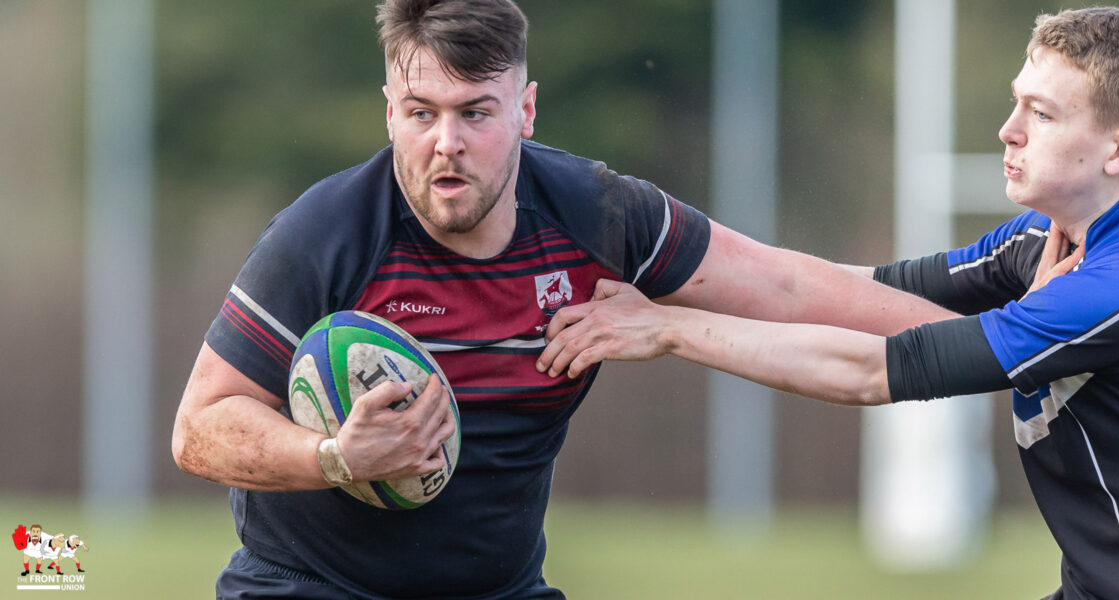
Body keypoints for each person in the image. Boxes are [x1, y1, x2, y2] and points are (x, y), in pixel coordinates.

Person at [170, 1, 956, 597]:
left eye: (475, 112)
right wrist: (336, 457)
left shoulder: (599, 215)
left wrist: (1013, 336)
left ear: (526, 109)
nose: (446, 143)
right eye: (421, 114)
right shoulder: (326, 234)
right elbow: (199, 428)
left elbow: (785, 285)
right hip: (313, 586)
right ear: (389, 112)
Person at [538, 7, 1119, 599]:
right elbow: (855, 293)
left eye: (1042, 114)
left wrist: (668, 330)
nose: (1008, 130)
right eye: (1016, 103)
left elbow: (871, 370)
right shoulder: (1049, 238)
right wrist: (672, 270)